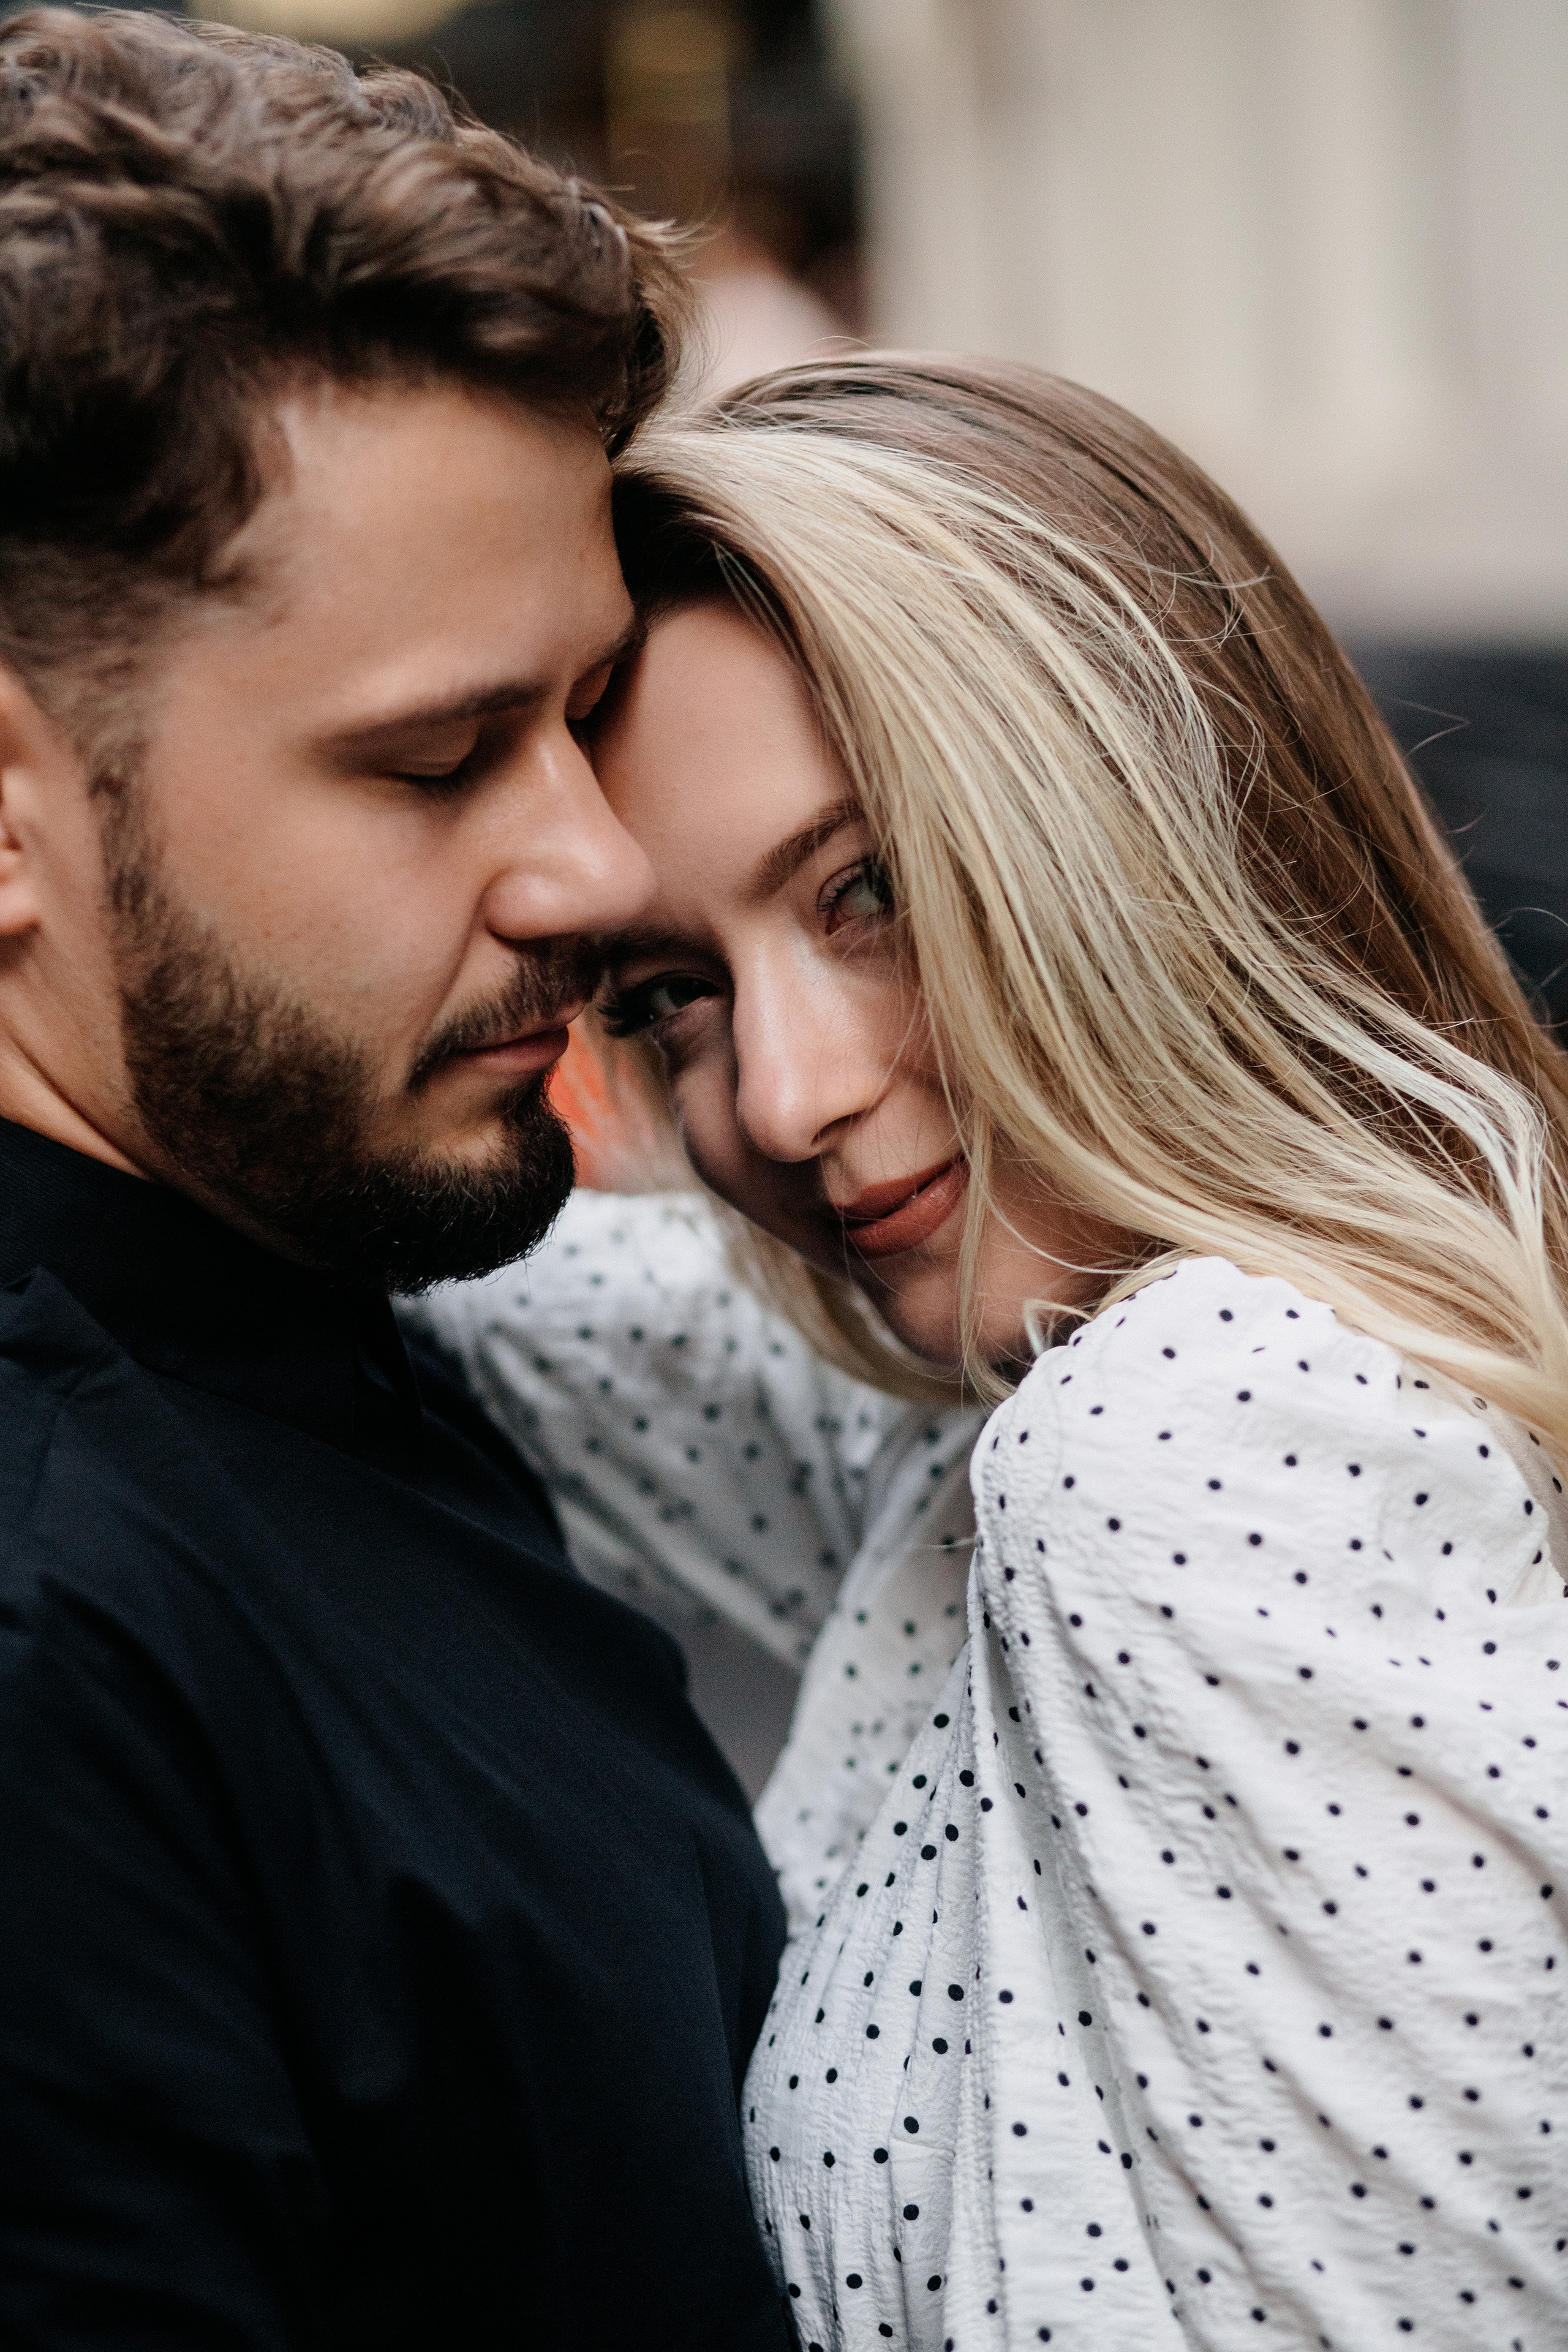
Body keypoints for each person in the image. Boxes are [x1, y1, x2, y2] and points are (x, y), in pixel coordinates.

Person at [420, 356, 1568, 2348]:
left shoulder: (1181, 1433)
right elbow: (540, 1320)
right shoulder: (1010, 1409)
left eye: (869, 890)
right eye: (673, 991)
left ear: (1135, 823)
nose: (778, 1098)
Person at [0, 14, 793, 2348]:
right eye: (441, 757)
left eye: (580, 713)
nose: (598, 862)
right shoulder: (49, 1663)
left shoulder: (315, 1252)